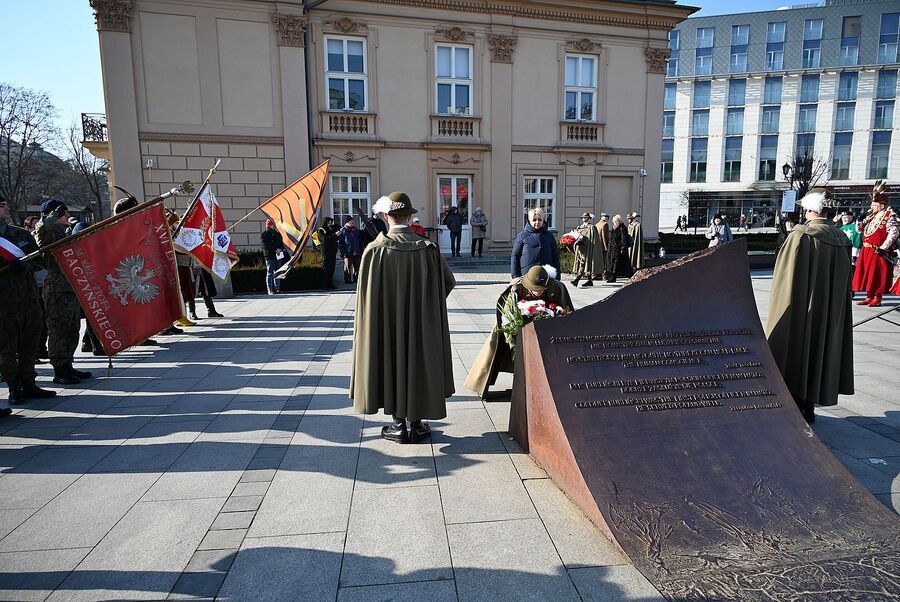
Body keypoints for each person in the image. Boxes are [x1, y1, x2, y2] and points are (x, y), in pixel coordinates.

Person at [351, 191, 455, 444]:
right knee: (418, 360)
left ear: (387, 216)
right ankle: (416, 425)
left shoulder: (373, 251)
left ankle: (398, 425)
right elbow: (448, 282)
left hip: (385, 323)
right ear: (410, 217)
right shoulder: (428, 249)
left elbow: (364, 295)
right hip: (421, 322)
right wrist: (426, 305)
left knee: (390, 360)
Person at [765, 188, 853, 424]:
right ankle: (810, 405)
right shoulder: (841, 238)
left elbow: (784, 282)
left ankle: (795, 403)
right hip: (829, 311)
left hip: (803, 309)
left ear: (810, 209)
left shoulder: (801, 235)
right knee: (819, 349)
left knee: (796, 347)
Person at [465, 265, 573, 399]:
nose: (538, 292)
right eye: (535, 289)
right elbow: (507, 319)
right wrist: (515, 345)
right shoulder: (516, 290)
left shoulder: (556, 288)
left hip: (547, 330)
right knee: (520, 359)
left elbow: (568, 315)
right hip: (519, 329)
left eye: (541, 289)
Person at [0, 194, 55, 410]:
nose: (6, 208)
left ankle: (29, 383)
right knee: (6, 347)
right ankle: (14, 387)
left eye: (6, 204)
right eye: (1, 206)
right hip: (4, 303)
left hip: (28, 299)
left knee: (30, 342)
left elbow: (39, 260)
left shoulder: (20, 234)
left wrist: (25, 266)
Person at [34, 199, 92, 385]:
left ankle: (68, 364)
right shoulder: (46, 230)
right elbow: (42, 228)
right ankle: (59, 369)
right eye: (64, 212)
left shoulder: (63, 231)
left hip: (70, 286)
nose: (68, 216)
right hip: (56, 287)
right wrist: (53, 214)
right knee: (58, 329)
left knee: (72, 328)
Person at [852, 180, 899, 307]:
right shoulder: (872, 216)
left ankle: (877, 297)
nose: (871, 207)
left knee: (877, 275)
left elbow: (893, 233)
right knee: (867, 274)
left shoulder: (889, 216)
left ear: (882, 206)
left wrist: (884, 248)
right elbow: (860, 229)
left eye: (874, 205)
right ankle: (869, 296)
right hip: (866, 250)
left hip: (878, 250)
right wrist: (860, 221)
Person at [511, 208, 560, 279]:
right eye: (534, 220)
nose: (537, 222)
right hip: (526, 275)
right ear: (529, 220)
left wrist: (557, 276)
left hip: (546, 275)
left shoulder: (549, 236)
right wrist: (515, 276)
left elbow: (555, 256)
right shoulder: (522, 236)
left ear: (543, 220)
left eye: (539, 219)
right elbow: (515, 256)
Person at [572, 212, 603, 287]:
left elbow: (593, 239)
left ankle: (577, 280)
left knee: (583, 264)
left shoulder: (591, 227)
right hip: (580, 249)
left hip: (588, 248)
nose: (584, 219)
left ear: (588, 218)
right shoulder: (580, 227)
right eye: (583, 217)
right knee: (584, 264)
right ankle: (589, 280)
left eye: (585, 217)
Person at [261, 219, 288, 295]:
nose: (274, 225)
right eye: (272, 224)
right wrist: (275, 249)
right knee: (270, 273)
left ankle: (277, 289)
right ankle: (270, 290)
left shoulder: (278, 234)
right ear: (269, 225)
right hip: (269, 256)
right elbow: (265, 245)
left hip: (278, 255)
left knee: (278, 272)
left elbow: (281, 243)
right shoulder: (264, 234)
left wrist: (280, 249)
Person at [605, 215, 633, 283]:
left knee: (618, 264)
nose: (615, 223)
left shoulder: (622, 228)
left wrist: (623, 248)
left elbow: (624, 239)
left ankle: (614, 277)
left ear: (619, 221)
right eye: (614, 221)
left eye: (616, 221)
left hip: (618, 249)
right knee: (612, 263)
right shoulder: (614, 227)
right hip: (612, 249)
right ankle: (611, 277)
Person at [316, 217, 339, 290]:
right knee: (326, 269)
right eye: (329, 222)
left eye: (331, 222)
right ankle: (325, 285)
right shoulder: (321, 230)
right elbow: (324, 240)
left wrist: (337, 235)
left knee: (332, 268)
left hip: (333, 252)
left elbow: (334, 239)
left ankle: (330, 283)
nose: (330, 223)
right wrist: (335, 235)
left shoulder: (331, 229)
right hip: (326, 253)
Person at [338, 217, 363, 284]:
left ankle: (356, 279)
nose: (353, 222)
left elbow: (360, 241)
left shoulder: (356, 230)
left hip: (356, 251)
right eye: (351, 221)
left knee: (357, 266)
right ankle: (347, 280)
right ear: (347, 222)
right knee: (347, 267)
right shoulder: (343, 230)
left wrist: (360, 250)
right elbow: (340, 243)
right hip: (348, 252)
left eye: (353, 221)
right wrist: (343, 252)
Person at [596, 213, 610, 278]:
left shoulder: (597, 224)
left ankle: (598, 274)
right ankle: (604, 274)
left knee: (598, 261)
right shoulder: (605, 224)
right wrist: (607, 247)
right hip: (603, 246)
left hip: (597, 246)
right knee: (604, 261)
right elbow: (605, 236)